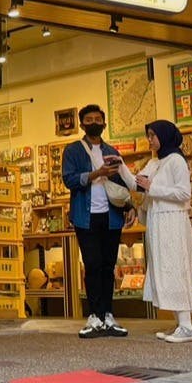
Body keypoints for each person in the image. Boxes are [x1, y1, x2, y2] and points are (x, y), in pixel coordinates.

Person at [61, 104, 138, 338]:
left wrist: (130, 205)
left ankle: (108, 315)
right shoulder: (73, 151)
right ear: (82, 123)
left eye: (98, 118)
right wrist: (97, 173)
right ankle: (94, 315)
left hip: (111, 216)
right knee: (92, 264)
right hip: (85, 217)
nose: (94, 122)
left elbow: (123, 182)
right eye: (89, 119)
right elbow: (69, 179)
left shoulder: (113, 150)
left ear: (104, 123)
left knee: (108, 266)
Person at [125, 120, 192, 343]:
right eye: (148, 135)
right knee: (164, 270)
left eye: (153, 135)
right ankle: (180, 323)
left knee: (175, 268)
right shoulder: (156, 162)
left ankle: (187, 326)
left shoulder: (176, 161)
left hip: (173, 221)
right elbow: (137, 184)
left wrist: (152, 188)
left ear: (164, 136)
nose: (149, 140)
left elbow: (184, 193)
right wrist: (119, 166)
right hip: (158, 222)